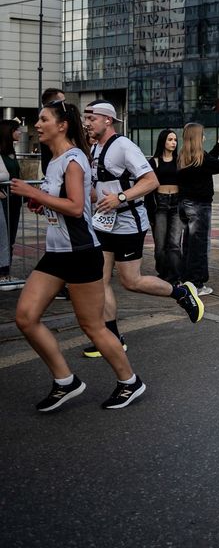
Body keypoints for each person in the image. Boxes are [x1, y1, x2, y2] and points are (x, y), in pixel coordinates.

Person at [11, 101, 149, 411]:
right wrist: (43, 202)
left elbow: (75, 207)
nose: (37, 125)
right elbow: (63, 204)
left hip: (81, 253)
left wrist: (35, 194)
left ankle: (130, 382)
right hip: (57, 253)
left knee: (93, 327)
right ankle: (66, 381)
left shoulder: (73, 159)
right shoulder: (56, 159)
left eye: (43, 119)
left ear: (62, 125)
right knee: (25, 317)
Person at [83, 101, 204, 359]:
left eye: (91, 118)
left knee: (131, 282)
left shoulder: (124, 146)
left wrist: (121, 198)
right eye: (86, 118)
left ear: (107, 120)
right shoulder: (94, 147)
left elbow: (151, 181)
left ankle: (181, 292)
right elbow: (98, 186)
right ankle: (112, 336)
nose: (87, 123)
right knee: (100, 280)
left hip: (128, 223)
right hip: (104, 222)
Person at [176, 123, 219, 296]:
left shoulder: (184, 156)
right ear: (198, 137)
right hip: (199, 206)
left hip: (184, 204)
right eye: (203, 134)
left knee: (188, 244)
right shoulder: (201, 158)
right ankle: (196, 284)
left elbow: (208, 162)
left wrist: (217, 147)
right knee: (199, 245)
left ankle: (186, 279)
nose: (205, 137)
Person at [147, 129, 182, 284]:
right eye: (170, 139)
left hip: (176, 203)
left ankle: (175, 275)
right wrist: (150, 213)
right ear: (163, 141)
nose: (173, 143)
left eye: (175, 140)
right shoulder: (153, 161)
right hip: (159, 204)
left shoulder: (180, 161)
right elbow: (148, 189)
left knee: (175, 243)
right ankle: (163, 273)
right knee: (160, 244)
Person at [1, 119, 22, 277]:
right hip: (4, 200)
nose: (20, 132)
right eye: (16, 130)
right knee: (4, 235)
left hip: (14, 200)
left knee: (11, 235)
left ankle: (6, 271)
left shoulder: (11, 152)